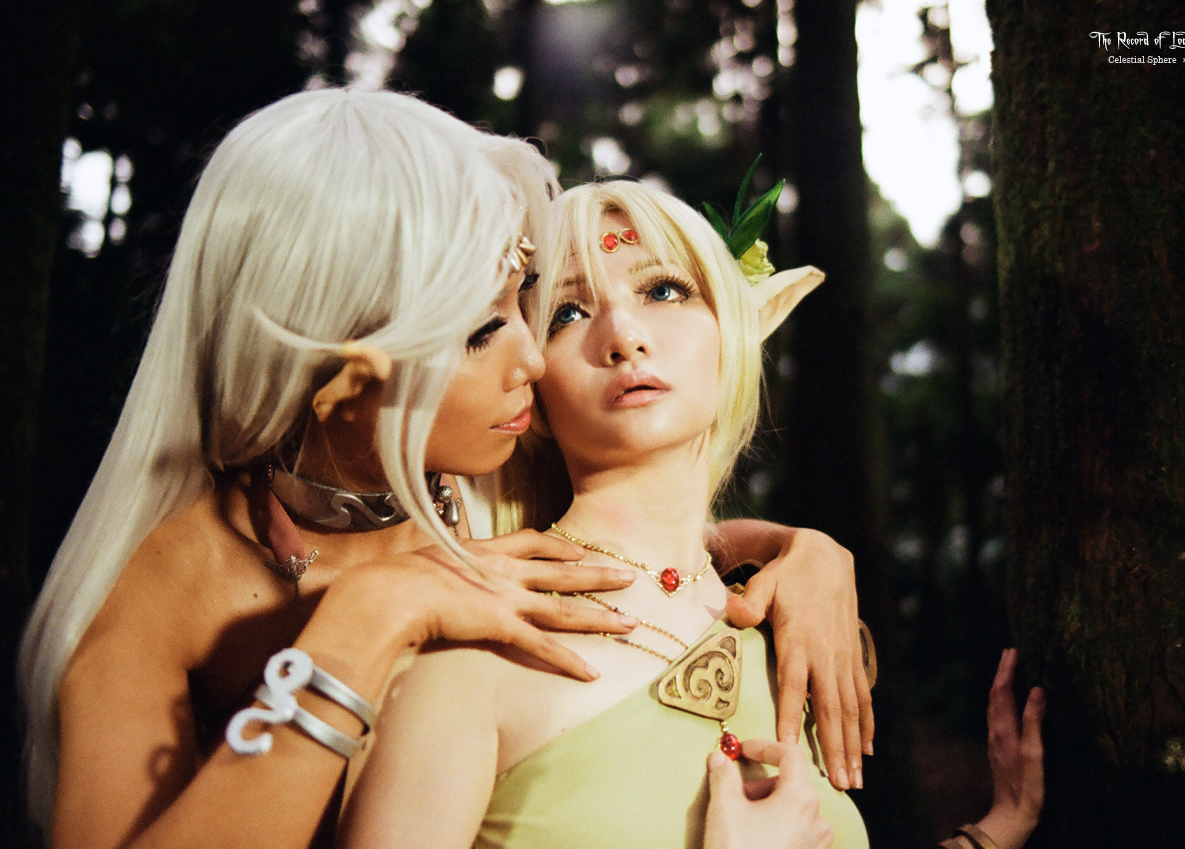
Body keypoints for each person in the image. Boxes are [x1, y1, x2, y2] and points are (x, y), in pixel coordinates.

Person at [17, 88, 870, 849]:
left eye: (527, 300)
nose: (532, 358)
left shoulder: (484, 471)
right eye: (481, 329)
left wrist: (803, 553)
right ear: (341, 362)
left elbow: (645, 535)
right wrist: (370, 614)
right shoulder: (162, 591)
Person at [339, 181, 1044, 848]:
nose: (622, 335)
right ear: (531, 384)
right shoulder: (476, 653)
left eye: (662, 290)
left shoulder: (801, 640)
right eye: (566, 313)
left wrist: (995, 829)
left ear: (730, 331)